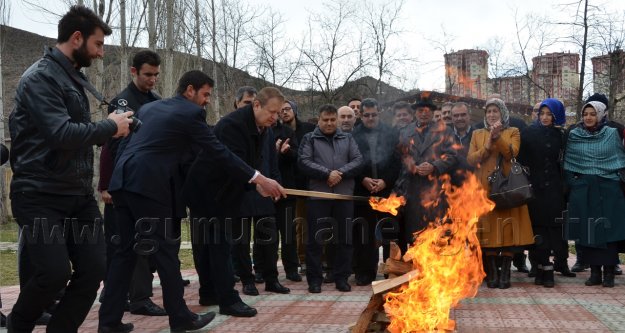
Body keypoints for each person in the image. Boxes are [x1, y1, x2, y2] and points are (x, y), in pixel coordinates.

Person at [98, 70, 285, 332]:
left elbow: (126, 144)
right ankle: (181, 319)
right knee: (166, 255)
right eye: (205, 94)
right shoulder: (191, 114)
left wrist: (114, 178)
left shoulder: (151, 107)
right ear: (190, 91)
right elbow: (218, 151)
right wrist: (258, 178)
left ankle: (108, 323)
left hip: (124, 182)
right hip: (151, 186)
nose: (207, 100)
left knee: (123, 255)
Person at [8, 6, 134, 332]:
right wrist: (108, 127)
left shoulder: (73, 76)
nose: (101, 52)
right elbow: (60, 134)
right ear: (76, 38)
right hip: (38, 193)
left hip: (77, 194)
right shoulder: (40, 77)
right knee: (53, 274)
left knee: (94, 270)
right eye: (98, 44)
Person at [98, 49, 166, 317]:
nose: (152, 79)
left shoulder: (155, 101)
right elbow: (109, 148)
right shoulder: (122, 103)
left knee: (135, 242)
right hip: (123, 183)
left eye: (156, 75)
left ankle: (115, 292)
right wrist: (106, 185)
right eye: (148, 74)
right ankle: (139, 298)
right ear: (134, 71)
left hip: (145, 183)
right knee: (128, 243)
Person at [215, 87, 290, 297]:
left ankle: (271, 278)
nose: (275, 118)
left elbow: (272, 161)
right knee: (240, 240)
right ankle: (247, 280)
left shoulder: (266, 128)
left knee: (269, 238)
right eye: (272, 112)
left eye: (277, 113)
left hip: (265, 189)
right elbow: (234, 163)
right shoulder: (232, 126)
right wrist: (257, 181)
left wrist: (276, 184)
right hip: (242, 188)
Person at [467, 98, 534, 289]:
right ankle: (492, 274)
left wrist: (498, 137)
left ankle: (505, 274)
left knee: (506, 231)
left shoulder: (513, 131)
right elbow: (471, 159)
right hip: (483, 190)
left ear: (502, 113)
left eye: (495, 111)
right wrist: (488, 144)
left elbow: (511, 153)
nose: (491, 115)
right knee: (487, 231)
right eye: (488, 112)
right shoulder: (477, 133)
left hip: (507, 189)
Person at [298, 104, 363, 293]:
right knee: (315, 240)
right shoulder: (309, 138)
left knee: (345, 239)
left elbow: (358, 160)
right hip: (318, 195)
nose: (329, 123)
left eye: (332, 120)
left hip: (343, 196)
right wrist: (326, 174)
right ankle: (314, 280)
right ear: (318, 120)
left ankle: (341, 278)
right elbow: (303, 161)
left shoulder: (348, 138)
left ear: (337, 120)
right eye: (325, 120)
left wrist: (340, 173)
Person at [563, 100, 625, 288]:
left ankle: (609, 273)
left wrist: (614, 180)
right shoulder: (574, 135)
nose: (588, 117)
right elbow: (568, 163)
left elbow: (619, 159)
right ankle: (595, 272)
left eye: (592, 114)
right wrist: (576, 183)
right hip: (584, 190)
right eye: (585, 114)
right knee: (588, 230)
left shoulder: (612, 134)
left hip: (609, 189)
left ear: (600, 115)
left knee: (609, 230)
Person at [518, 98, 570, 288]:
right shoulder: (529, 133)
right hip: (535, 188)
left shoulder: (562, 135)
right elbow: (520, 159)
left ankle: (548, 267)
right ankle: (541, 267)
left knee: (554, 230)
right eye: (542, 114)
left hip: (555, 189)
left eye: (550, 114)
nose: (545, 117)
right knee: (537, 229)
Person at [394, 94, 457, 248]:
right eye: (420, 110)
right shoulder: (404, 131)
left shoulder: (445, 131)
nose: (424, 113)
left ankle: (436, 271)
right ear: (415, 112)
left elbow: (452, 155)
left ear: (432, 111)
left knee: (436, 235)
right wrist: (412, 166)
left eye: (427, 110)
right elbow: (399, 155)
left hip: (436, 191)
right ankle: (416, 269)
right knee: (415, 236)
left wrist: (434, 166)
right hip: (412, 190)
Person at [352, 98, 401, 286]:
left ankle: (391, 270)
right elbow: (351, 162)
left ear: (378, 113)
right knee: (364, 234)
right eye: (366, 115)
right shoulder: (354, 135)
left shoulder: (391, 133)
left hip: (387, 192)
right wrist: (363, 179)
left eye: (374, 114)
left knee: (389, 232)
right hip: (362, 191)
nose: (370, 118)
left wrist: (385, 181)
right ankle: (365, 271)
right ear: (361, 115)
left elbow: (398, 161)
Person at [280, 100, 315, 274]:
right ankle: (301, 259)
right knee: (297, 225)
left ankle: (318, 259)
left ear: (294, 110)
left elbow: (307, 157)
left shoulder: (308, 129)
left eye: (287, 109)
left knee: (314, 223)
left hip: (308, 182)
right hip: (286, 184)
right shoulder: (276, 131)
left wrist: (290, 153)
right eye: (281, 110)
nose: (284, 112)